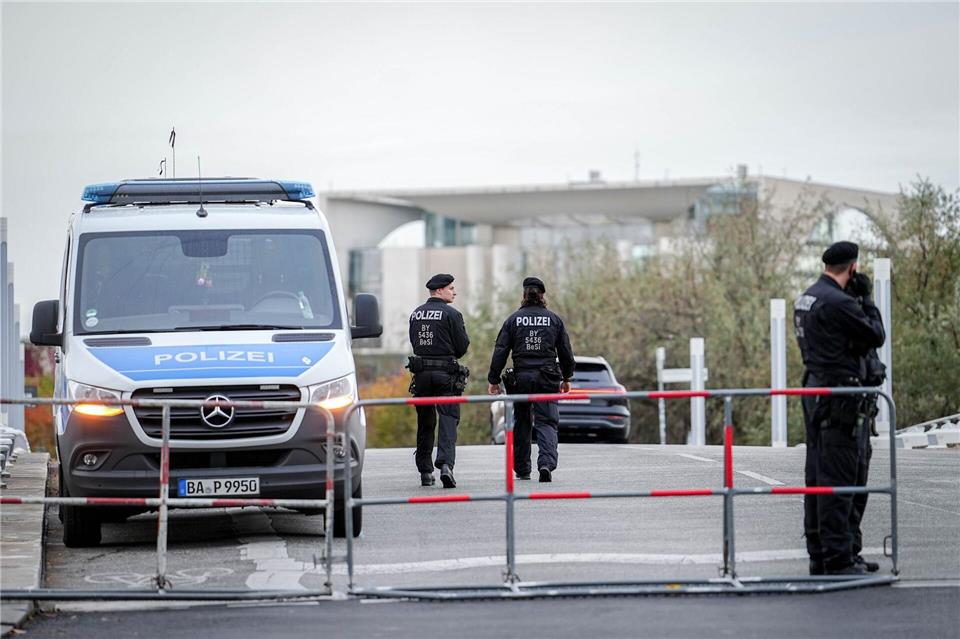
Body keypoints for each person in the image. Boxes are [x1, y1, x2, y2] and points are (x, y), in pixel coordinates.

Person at [793, 241, 885, 575]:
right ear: (853, 268)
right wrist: (867, 300)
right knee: (843, 478)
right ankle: (839, 559)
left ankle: (823, 553)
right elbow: (875, 335)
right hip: (840, 398)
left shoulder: (807, 297)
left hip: (816, 392)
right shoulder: (839, 302)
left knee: (818, 475)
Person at [487, 277, 575, 482]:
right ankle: (546, 464)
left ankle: (522, 468)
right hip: (547, 377)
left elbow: (501, 350)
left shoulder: (513, 320)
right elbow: (565, 351)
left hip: (521, 378)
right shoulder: (554, 320)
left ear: (524, 295)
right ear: (542, 295)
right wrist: (566, 376)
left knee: (522, 422)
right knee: (547, 421)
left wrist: (493, 379)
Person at [407, 273, 470, 488]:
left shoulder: (416, 314)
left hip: (422, 375)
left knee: (425, 422)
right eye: (451, 288)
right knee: (448, 419)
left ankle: (425, 471)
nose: (454, 292)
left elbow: (415, 343)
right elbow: (462, 347)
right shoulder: (452, 314)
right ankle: (445, 466)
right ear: (440, 290)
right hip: (446, 375)